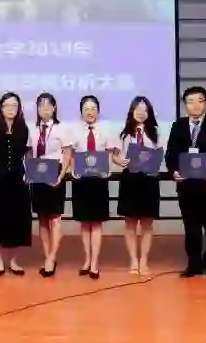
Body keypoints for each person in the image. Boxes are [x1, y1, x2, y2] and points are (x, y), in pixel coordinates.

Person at [165, 86, 206, 281]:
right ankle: (193, 265)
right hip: (187, 186)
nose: (195, 105)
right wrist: (174, 171)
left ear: (205, 103)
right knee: (191, 229)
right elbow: (171, 153)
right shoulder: (179, 125)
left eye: (199, 101)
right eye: (190, 101)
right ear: (185, 105)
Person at [0, 92, 32, 276]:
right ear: (1, 108)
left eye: (15, 106)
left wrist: (29, 171)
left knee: (16, 219)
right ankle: (0, 261)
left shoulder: (23, 128)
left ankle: (14, 261)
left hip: (18, 178)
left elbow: (28, 152)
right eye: (7, 105)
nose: (11, 109)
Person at [114, 96, 162, 275]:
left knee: (147, 224)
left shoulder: (156, 133)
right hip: (130, 179)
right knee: (130, 224)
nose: (141, 113)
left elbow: (160, 155)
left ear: (149, 113)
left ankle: (144, 261)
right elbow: (115, 156)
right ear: (132, 111)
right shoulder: (124, 134)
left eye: (145, 110)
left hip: (149, 180)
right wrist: (119, 161)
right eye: (138, 109)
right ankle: (133, 260)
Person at [28, 93, 71, 277]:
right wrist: (29, 172)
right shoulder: (33, 130)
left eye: (48, 105)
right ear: (37, 109)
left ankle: (52, 257)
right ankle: (47, 256)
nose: (45, 109)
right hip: (37, 174)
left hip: (55, 172)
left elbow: (68, 154)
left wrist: (61, 176)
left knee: (55, 218)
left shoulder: (62, 129)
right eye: (41, 106)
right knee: (42, 218)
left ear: (54, 108)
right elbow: (29, 153)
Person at [69, 95, 112, 279]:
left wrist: (108, 170)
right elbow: (70, 154)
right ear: (81, 112)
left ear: (98, 111)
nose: (90, 112)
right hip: (81, 181)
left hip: (99, 181)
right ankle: (87, 259)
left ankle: (95, 262)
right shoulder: (74, 131)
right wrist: (72, 170)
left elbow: (109, 153)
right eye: (86, 109)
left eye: (93, 108)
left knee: (96, 222)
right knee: (84, 223)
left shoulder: (106, 129)